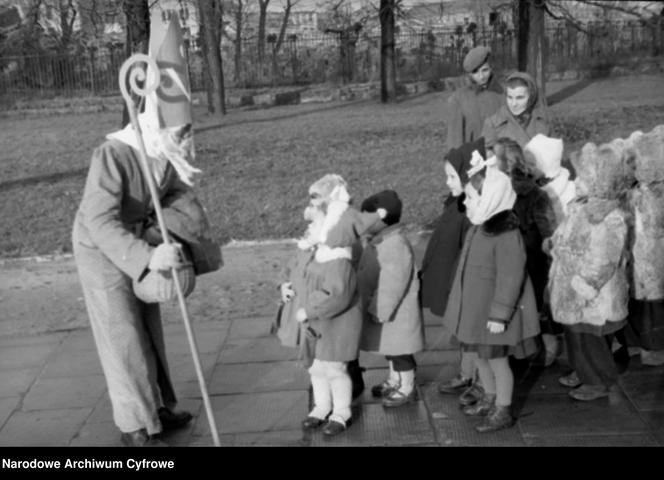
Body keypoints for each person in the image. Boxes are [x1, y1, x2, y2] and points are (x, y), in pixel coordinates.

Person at [72, 16, 207, 446]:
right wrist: (148, 257)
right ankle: (135, 423)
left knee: (148, 325)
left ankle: (158, 408)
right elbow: (98, 219)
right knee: (122, 332)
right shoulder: (114, 153)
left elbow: (178, 197)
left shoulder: (168, 153)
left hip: (143, 238)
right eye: (178, 131)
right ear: (155, 124)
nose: (184, 139)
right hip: (101, 245)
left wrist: (177, 239)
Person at [442, 156, 540, 433]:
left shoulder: (507, 235)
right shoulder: (478, 227)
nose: (467, 203)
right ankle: (490, 396)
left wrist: (500, 314)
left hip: (492, 313)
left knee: (497, 361)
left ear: (491, 199)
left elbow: (511, 278)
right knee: (481, 357)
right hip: (475, 311)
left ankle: (503, 409)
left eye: (472, 198)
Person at [296, 180, 384, 437]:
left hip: (337, 323)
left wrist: (309, 310)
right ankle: (322, 406)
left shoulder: (338, 258)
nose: (309, 207)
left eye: (315, 201)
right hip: (320, 320)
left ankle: (341, 409)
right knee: (317, 366)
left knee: (335, 368)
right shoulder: (321, 248)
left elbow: (338, 296)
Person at [549, 139, 633, 401]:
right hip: (572, 287)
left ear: (599, 184)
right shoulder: (579, 206)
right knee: (576, 337)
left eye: (582, 178)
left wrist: (587, 283)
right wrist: (554, 244)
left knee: (591, 340)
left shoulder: (610, 219)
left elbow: (604, 258)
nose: (576, 182)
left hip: (592, 295)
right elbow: (567, 234)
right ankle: (584, 371)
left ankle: (597, 380)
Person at [420, 138, 481, 400]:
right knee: (462, 331)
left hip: (465, 280)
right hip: (453, 276)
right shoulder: (456, 202)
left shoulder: (473, 210)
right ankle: (467, 373)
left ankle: (478, 380)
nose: (448, 182)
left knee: (472, 333)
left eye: (452, 176)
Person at [357, 190, 425, 408]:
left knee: (401, 353)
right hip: (391, 313)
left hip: (396, 314)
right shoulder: (382, 241)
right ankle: (395, 380)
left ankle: (407, 386)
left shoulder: (394, 245)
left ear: (381, 219)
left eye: (367, 218)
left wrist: (379, 309)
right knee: (391, 350)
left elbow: (392, 285)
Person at [494, 138, 558, 366]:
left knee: (523, 300)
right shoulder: (536, 192)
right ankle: (543, 346)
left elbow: (547, 230)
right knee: (536, 301)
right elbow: (548, 228)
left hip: (522, 254)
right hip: (533, 253)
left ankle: (536, 346)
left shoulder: (503, 192)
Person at [445, 46, 503, 153]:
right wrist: (457, 164)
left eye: (485, 70)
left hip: (499, 156)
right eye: (475, 72)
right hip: (473, 159)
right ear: (469, 74)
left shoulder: (502, 95)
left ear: (491, 68)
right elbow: (455, 138)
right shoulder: (458, 99)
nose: (481, 76)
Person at [482, 71, 550, 154]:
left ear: (531, 97)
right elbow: (486, 159)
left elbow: (554, 156)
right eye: (510, 97)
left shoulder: (543, 121)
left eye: (520, 98)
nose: (513, 104)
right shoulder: (493, 124)